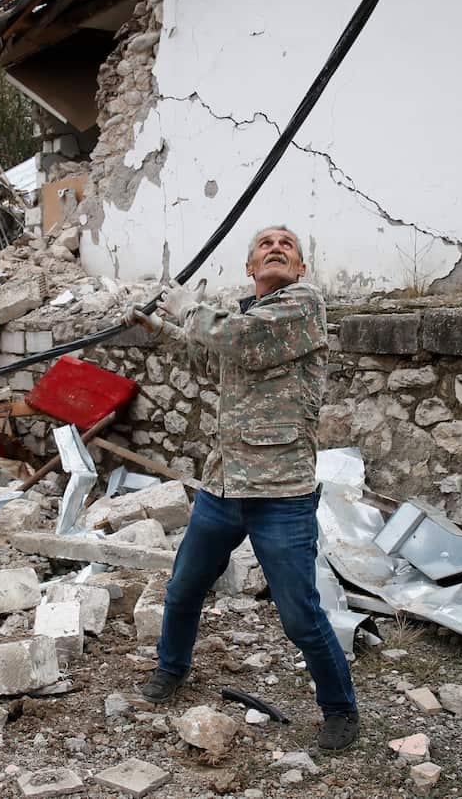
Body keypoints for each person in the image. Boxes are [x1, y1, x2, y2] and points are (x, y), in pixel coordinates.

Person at [126, 226, 359, 751]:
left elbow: (237, 341)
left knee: (300, 615)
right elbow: (211, 357)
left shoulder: (302, 307)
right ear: (250, 268)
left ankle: (341, 710)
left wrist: (185, 305)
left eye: (287, 245)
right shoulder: (246, 319)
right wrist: (158, 326)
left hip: (282, 495)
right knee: (184, 587)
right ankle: (170, 670)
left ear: (299, 269)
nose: (276, 247)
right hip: (224, 485)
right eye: (264, 244)